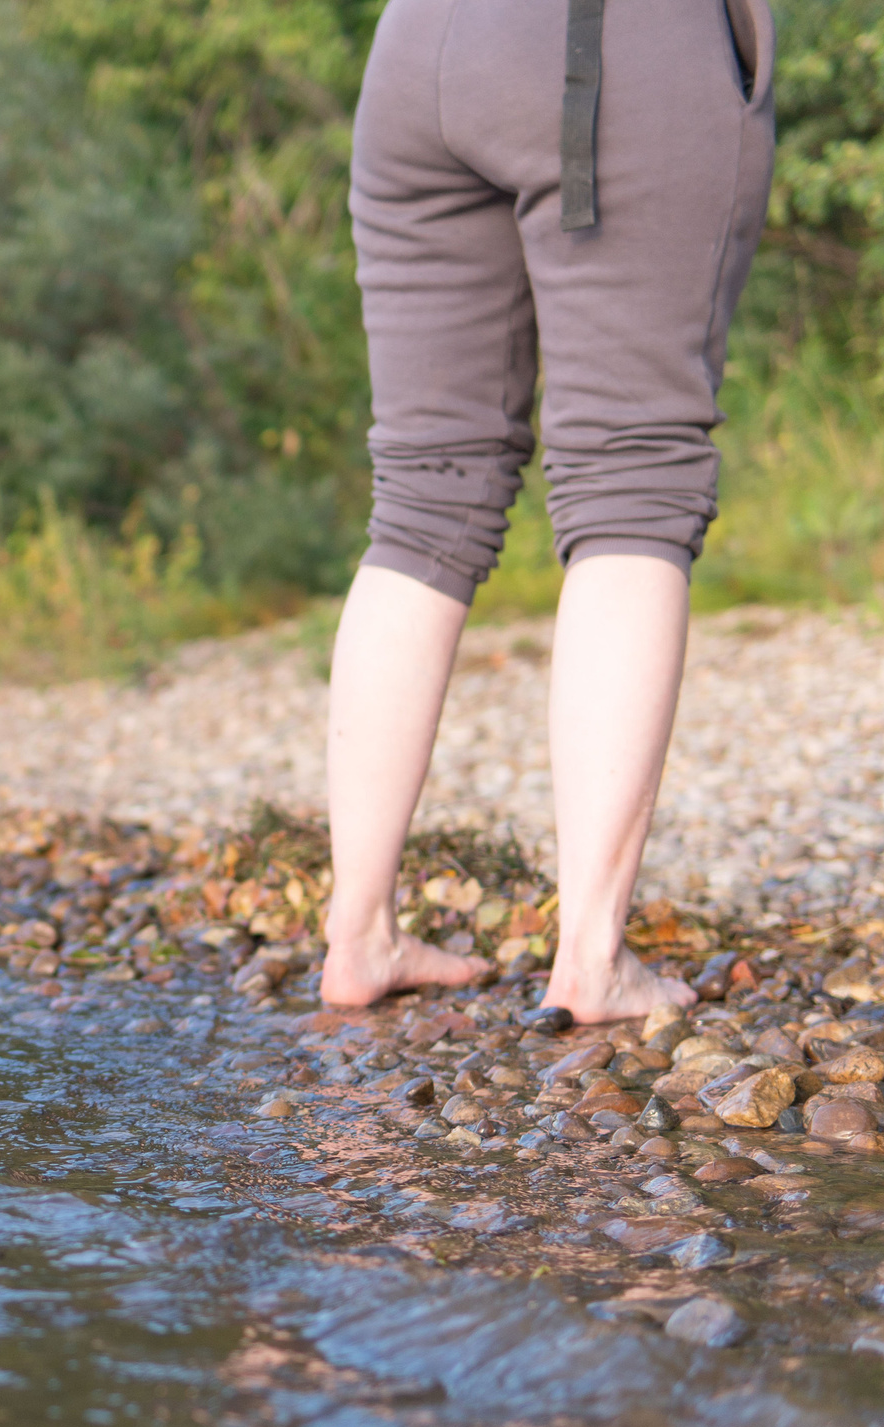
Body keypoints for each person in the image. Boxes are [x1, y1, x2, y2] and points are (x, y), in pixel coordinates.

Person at [318, 0, 777, 1024]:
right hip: (616, 45)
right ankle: (590, 961)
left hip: (421, 50)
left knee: (424, 496)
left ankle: (358, 936)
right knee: (632, 478)